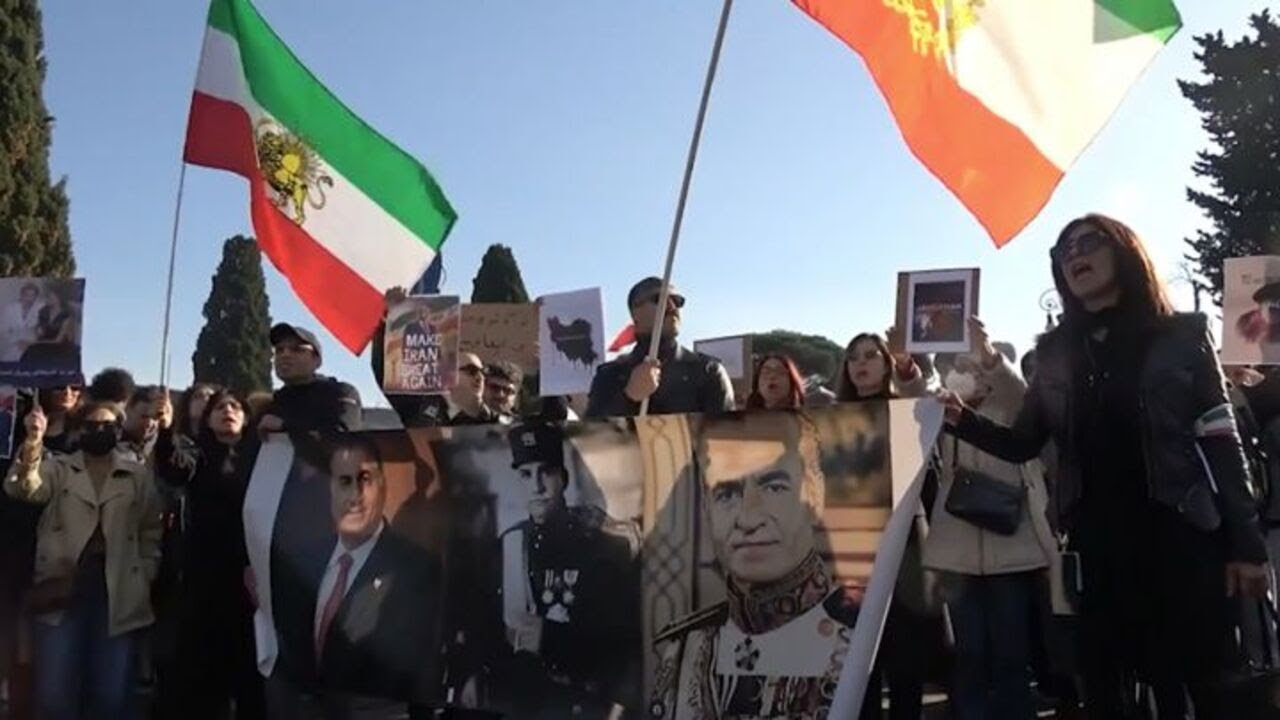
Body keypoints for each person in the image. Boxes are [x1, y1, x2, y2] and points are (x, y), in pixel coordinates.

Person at [941, 213, 1269, 718]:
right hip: (1095, 549)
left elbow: (1223, 442)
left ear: (1124, 250)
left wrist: (1246, 544)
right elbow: (1024, 442)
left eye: (1088, 242)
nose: (1074, 255)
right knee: (1104, 689)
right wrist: (959, 420)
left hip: (1181, 537)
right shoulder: (1052, 353)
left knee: (1200, 683)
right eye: (1063, 251)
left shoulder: (1182, 335)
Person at [650, 411, 859, 719]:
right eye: (726, 493)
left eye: (774, 487)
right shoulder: (683, 649)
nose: (748, 518)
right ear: (707, 510)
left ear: (815, 494)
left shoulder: (861, 629)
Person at [924, 318, 1055, 720]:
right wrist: (905, 364)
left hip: (1010, 544)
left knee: (1011, 653)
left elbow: (1019, 393)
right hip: (956, 551)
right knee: (970, 653)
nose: (969, 373)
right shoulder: (942, 410)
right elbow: (912, 395)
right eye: (960, 367)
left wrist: (991, 355)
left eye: (975, 366)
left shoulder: (1010, 404)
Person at [5, 400, 162, 720]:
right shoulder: (59, 467)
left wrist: (146, 570)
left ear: (119, 431)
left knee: (111, 693)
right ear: (78, 431)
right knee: (54, 693)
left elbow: (151, 527)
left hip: (118, 590)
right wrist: (34, 441)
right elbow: (24, 488)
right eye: (91, 425)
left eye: (108, 426)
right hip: (63, 587)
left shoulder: (136, 474)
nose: (100, 431)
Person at [272, 435, 444, 719]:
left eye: (365, 479)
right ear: (330, 489)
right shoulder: (303, 561)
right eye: (344, 482)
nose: (355, 495)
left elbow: (420, 672)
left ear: (382, 487)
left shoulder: (418, 569)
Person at [498, 421, 640, 718]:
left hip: (576, 701)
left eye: (545, 472)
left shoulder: (602, 545)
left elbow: (616, 642)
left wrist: (547, 637)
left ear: (562, 479)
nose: (536, 486)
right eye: (526, 475)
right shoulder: (508, 543)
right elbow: (483, 624)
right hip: (516, 700)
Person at [153, 390, 264, 720]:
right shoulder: (197, 454)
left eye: (234, 406)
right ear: (206, 418)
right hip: (205, 581)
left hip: (253, 579)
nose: (227, 410)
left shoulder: (263, 456)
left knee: (250, 675)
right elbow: (175, 468)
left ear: (245, 417)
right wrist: (165, 431)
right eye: (219, 407)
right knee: (202, 676)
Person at [586, 277, 734, 417]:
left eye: (677, 301)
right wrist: (629, 397)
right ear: (635, 312)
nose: (672, 307)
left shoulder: (708, 371)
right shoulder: (609, 375)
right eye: (660, 299)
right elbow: (589, 438)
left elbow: (726, 436)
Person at [260, 322, 363, 437]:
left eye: (297, 349)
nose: (285, 354)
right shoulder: (274, 402)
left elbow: (342, 437)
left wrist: (284, 426)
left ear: (317, 360)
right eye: (279, 350)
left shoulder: (340, 392)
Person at [835, 331, 926, 401]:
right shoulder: (832, 412)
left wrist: (903, 363)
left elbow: (915, 395)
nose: (861, 361)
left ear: (886, 366)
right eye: (853, 357)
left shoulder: (900, 405)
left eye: (870, 355)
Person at [121, 385, 167, 464]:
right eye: (144, 416)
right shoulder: (109, 443)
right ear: (128, 411)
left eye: (155, 418)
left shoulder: (163, 449)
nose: (149, 423)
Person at [0, 282, 43, 362]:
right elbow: (3, 330)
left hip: (31, 341)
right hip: (12, 342)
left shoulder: (39, 308)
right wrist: (17, 342)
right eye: (26, 295)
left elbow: (41, 329)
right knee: (11, 358)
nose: (29, 299)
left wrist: (31, 342)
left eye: (33, 296)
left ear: (36, 297)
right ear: (21, 295)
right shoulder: (10, 308)